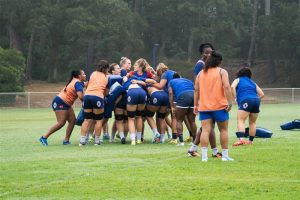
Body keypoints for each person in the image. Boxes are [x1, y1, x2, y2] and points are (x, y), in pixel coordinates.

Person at [194, 51, 234, 162]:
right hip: (220, 106)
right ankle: (225, 156)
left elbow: (196, 90)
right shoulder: (222, 71)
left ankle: (204, 157)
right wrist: (230, 102)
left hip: (204, 107)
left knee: (205, 131)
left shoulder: (201, 73)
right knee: (223, 130)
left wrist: (195, 105)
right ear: (219, 61)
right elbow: (226, 87)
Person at [188, 43, 221, 158]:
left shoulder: (209, 65)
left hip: (210, 99)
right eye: (206, 53)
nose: (209, 55)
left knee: (208, 127)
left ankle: (213, 151)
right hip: (204, 99)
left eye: (211, 53)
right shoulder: (200, 65)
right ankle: (195, 149)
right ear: (202, 53)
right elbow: (198, 83)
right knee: (207, 127)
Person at [39, 70, 86, 146]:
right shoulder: (77, 82)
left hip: (65, 103)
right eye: (83, 74)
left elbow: (86, 84)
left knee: (72, 120)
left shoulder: (76, 81)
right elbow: (80, 96)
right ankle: (44, 137)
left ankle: (66, 141)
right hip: (60, 102)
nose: (85, 75)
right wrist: (87, 102)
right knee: (61, 123)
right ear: (79, 76)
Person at [231, 67, 264, 146]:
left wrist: (235, 98)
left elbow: (232, 87)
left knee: (241, 120)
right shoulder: (252, 82)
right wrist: (255, 100)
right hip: (256, 100)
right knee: (252, 123)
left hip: (246, 100)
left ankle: (241, 140)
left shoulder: (238, 80)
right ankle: (250, 141)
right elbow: (262, 94)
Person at [79, 60, 109, 146]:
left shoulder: (93, 73)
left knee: (87, 120)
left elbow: (87, 85)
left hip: (87, 96)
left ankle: (82, 141)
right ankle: (97, 141)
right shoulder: (106, 77)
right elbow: (106, 92)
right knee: (98, 120)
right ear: (106, 68)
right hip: (98, 97)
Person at [168, 73, 197, 146]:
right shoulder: (188, 80)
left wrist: (171, 106)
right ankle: (194, 142)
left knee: (179, 119)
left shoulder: (171, 82)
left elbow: (171, 93)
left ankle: (181, 142)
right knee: (192, 121)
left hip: (183, 95)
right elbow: (196, 89)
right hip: (193, 95)